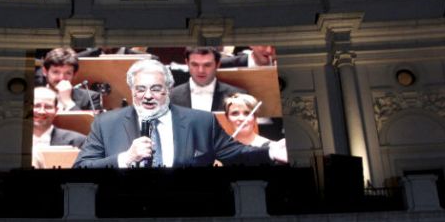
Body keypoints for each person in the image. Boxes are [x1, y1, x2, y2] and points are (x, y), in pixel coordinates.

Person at [73, 59, 288, 168]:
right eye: (140, 89)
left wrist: (271, 152)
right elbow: (82, 168)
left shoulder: (201, 122)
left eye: (156, 89)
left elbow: (235, 154)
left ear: (168, 89)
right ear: (131, 90)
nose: (147, 96)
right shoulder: (106, 123)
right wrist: (126, 158)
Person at [169, 47, 247, 112]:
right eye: (195, 64)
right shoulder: (171, 96)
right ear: (187, 63)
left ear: (217, 65)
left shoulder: (237, 95)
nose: (201, 70)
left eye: (207, 65)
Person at [31, 87, 88, 168]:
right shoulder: (12, 141)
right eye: (36, 106)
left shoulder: (79, 141)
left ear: (56, 110)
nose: (41, 111)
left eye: (48, 107)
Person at [41, 47, 101, 111]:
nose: (62, 78)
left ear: (74, 75)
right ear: (45, 71)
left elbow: (94, 121)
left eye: (68, 73)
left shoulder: (90, 98)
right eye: (56, 72)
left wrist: (68, 102)